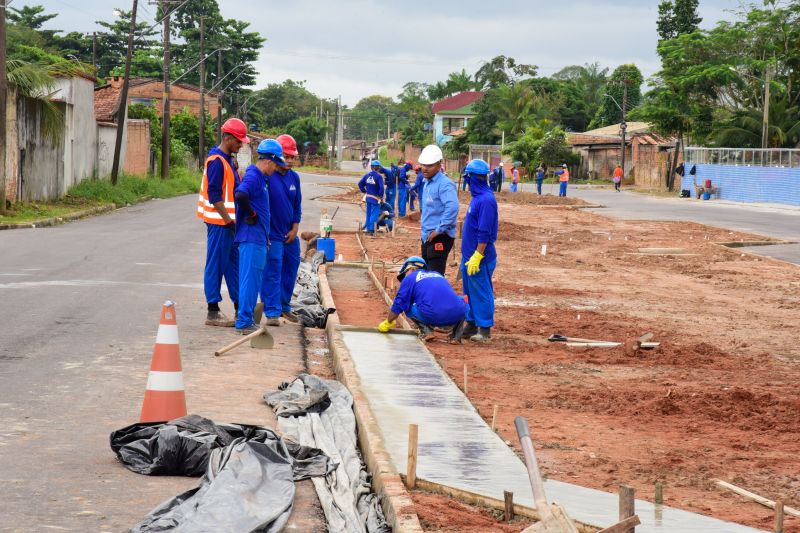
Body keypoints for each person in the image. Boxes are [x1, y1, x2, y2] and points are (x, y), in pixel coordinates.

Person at [197, 118, 249, 327]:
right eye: (238, 141)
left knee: (233, 265)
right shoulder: (217, 162)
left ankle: (239, 306)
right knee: (216, 264)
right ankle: (213, 311)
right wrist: (228, 222)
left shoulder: (228, 160)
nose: (240, 145)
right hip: (220, 223)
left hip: (229, 224)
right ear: (227, 138)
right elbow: (215, 196)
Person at [233, 139, 284, 334]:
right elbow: (240, 195)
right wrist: (251, 214)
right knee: (249, 280)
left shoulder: (261, 178)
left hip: (259, 239)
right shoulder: (254, 176)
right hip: (251, 238)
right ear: (269, 161)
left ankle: (246, 319)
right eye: (276, 164)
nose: (276, 168)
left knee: (253, 280)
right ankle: (244, 321)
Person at [260, 134, 303, 327]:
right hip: (273, 234)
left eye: (293, 157)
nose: (291, 161)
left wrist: (295, 228)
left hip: (290, 234)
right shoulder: (268, 176)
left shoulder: (295, 178)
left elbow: (297, 205)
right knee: (272, 271)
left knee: (290, 269)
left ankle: (284, 305)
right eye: (288, 156)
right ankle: (272, 311)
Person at [377, 256, 466, 342]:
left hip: (434, 315)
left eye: (405, 273)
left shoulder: (410, 278)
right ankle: (456, 336)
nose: (405, 276)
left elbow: (399, 303)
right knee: (461, 302)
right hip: (456, 314)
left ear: (410, 269)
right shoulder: (437, 274)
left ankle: (426, 332)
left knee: (407, 306)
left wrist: (388, 322)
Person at [459, 159, 499, 342]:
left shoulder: (486, 201)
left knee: (481, 291)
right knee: (469, 291)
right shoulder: (476, 199)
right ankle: (472, 323)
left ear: (473, 178)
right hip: (468, 256)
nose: (466, 181)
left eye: (468, 177)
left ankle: (484, 329)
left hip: (479, 258)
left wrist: (477, 255)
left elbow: (485, 232)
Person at [418, 145, 459, 275]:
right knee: (426, 273)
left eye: (429, 165)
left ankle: (436, 296)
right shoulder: (427, 183)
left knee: (434, 276)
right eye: (423, 164)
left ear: (439, 164)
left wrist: (439, 230)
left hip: (440, 236)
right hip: (427, 236)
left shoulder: (444, 184)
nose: (425, 168)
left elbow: (452, 207)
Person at [358, 160, 385, 235]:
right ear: (378, 168)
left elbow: (360, 184)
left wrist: (364, 191)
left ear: (371, 167)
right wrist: (380, 196)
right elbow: (381, 188)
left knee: (368, 214)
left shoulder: (367, 175)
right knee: (374, 214)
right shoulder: (379, 176)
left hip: (368, 198)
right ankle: (371, 230)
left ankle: (368, 228)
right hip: (375, 199)